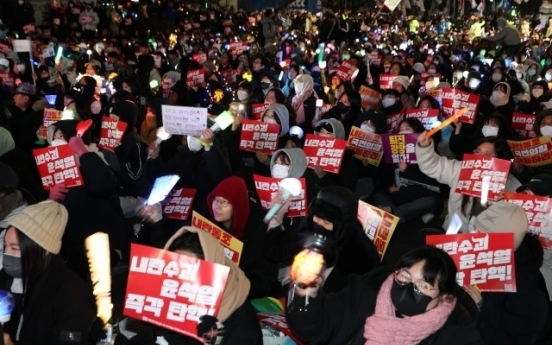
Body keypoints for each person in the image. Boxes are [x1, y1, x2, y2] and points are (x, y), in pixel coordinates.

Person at [286, 246, 483, 344]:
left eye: (423, 284)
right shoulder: (368, 291)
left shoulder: (457, 334)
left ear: (443, 297)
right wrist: (306, 292)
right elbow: (315, 326)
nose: (409, 286)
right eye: (405, 275)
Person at [119, 226, 263, 344]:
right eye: (174, 269)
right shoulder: (171, 295)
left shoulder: (242, 327)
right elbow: (154, 336)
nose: (181, 280)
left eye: (191, 273)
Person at [0, 200, 98, 344]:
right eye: (5, 246)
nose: (7, 255)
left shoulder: (73, 295)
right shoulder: (8, 277)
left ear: (44, 250)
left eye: (15, 248)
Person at [471, 202, 550, 344]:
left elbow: (511, 340)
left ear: (505, 245)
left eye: (482, 234)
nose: (472, 235)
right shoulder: (488, 257)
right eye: (475, 229)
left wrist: (481, 307)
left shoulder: (528, 292)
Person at [416, 132, 521, 232]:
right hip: (454, 229)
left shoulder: (512, 187)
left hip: (485, 240)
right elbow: (433, 166)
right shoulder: (461, 169)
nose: (479, 156)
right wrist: (425, 147)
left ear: (501, 160)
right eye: (477, 151)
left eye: (487, 155)